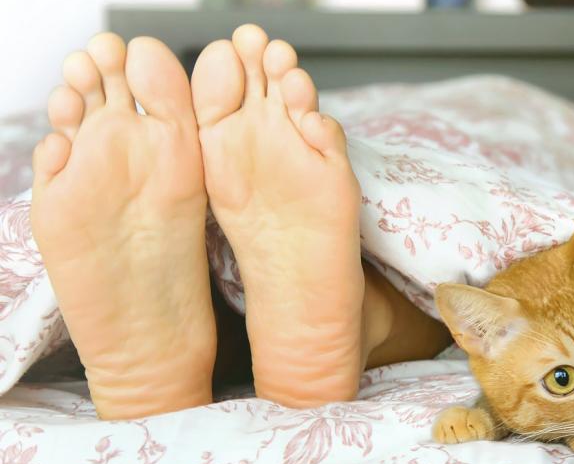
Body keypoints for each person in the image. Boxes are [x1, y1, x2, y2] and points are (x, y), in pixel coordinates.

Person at [30, 24, 451, 420]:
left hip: (166, 232)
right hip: (292, 217)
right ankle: (364, 319)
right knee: (448, 288)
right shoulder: (289, 127)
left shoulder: (91, 153)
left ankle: (169, 352)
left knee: (465, 300)